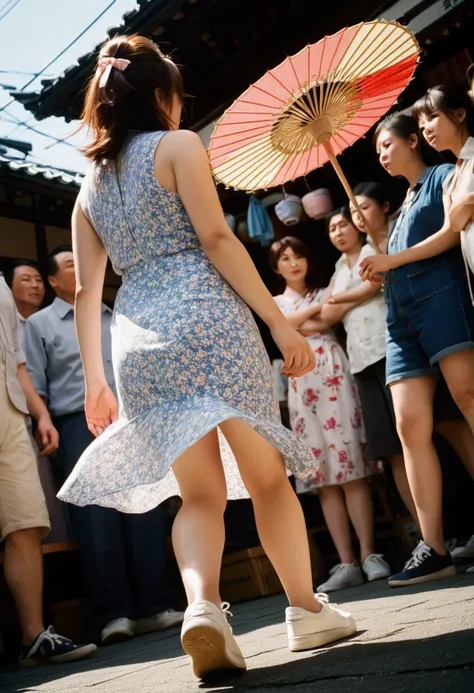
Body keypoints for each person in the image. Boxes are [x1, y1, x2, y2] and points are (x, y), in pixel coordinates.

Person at [53, 36, 356, 680]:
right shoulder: (179, 146)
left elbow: (85, 290)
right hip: (207, 318)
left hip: (136, 338)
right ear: (161, 95)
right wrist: (280, 325)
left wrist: (97, 383)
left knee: (198, 497)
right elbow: (216, 237)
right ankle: (305, 610)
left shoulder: (88, 187)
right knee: (268, 477)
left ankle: (202, 610)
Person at [23, 245, 183, 645]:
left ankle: (155, 605)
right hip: (75, 422)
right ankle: (113, 614)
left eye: (80, 261)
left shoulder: (113, 313)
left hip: (129, 417)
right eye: (67, 265)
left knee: (143, 506)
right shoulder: (39, 325)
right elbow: (36, 386)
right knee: (96, 519)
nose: (77, 267)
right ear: (55, 282)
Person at [358, 111, 474, 586]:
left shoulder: (442, 176)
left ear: (411, 141)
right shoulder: (403, 201)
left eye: (387, 144)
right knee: (408, 427)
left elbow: (451, 233)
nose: (383, 154)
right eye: (377, 150)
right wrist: (382, 263)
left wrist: (391, 257)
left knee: (468, 401)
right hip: (399, 316)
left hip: (442, 300)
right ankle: (434, 545)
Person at [350, 181, 474, 527]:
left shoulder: (416, 210)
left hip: (435, 321)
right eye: (352, 211)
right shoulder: (369, 245)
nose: (358, 217)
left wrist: (339, 298)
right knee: (413, 429)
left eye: (364, 208)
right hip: (400, 334)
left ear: (384, 206)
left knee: (456, 417)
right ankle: (438, 537)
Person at [270, 235, 390, 592]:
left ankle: (369, 554)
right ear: (275, 268)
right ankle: (346, 561)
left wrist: (298, 320)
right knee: (323, 478)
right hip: (303, 387)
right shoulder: (276, 302)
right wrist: (309, 313)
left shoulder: (330, 286)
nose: (293, 263)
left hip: (335, 377)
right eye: (285, 258)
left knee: (351, 468)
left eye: (298, 255)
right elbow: (295, 326)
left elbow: (318, 326)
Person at [0, 271, 97, 665]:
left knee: (25, 521)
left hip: (10, 409)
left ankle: (32, 637)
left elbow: (16, 358)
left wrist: (40, 415)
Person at [326, 206, 419, 530]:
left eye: (343, 224)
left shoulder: (373, 250)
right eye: (332, 229)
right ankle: (426, 531)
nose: (338, 232)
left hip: (388, 348)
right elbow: (327, 316)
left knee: (417, 438)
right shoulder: (338, 271)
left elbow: (375, 283)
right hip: (361, 362)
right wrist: (341, 301)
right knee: (392, 449)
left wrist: (339, 301)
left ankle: (454, 524)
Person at [5, 260, 45, 340]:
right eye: (26, 279)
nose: (35, 285)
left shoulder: (52, 322)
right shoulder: (4, 324)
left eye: (39, 280)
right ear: (9, 287)